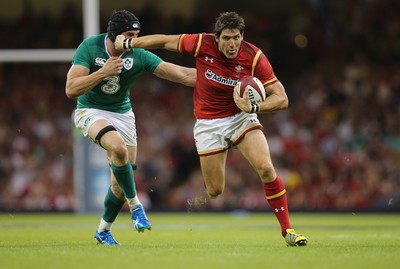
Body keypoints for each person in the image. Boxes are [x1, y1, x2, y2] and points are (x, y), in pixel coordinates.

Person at [115, 11, 308, 246]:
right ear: (216, 38)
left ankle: (288, 230)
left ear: (242, 36)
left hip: (240, 118)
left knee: (266, 168)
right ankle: (218, 157)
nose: (232, 43)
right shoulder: (201, 43)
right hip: (209, 124)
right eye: (226, 38)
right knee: (215, 190)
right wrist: (129, 43)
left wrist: (256, 106)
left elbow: (282, 98)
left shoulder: (254, 56)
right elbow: (165, 40)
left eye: (236, 37)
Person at [65, 10, 196, 245]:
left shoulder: (139, 55)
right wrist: (103, 72)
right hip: (90, 110)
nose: (133, 40)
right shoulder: (90, 47)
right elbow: (71, 89)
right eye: (129, 34)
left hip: (123, 115)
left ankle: (103, 230)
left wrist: (220, 79)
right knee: (119, 149)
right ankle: (136, 206)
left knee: (118, 184)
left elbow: (183, 75)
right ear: (114, 33)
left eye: (136, 35)